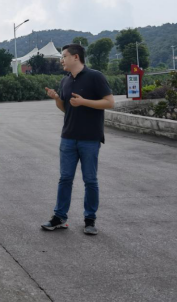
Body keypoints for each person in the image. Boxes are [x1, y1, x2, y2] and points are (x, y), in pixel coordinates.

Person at [42, 44, 114, 235]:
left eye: (64, 56)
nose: (61, 60)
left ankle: (90, 220)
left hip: (90, 138)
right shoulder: (65, 80)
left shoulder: (95, 76)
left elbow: (109, 102)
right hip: (68, 137)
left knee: (90, 180)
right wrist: (57, 98)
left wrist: (84, 102)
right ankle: (59, 217)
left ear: (76, 57)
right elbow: (67, 109)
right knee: (65, 178)